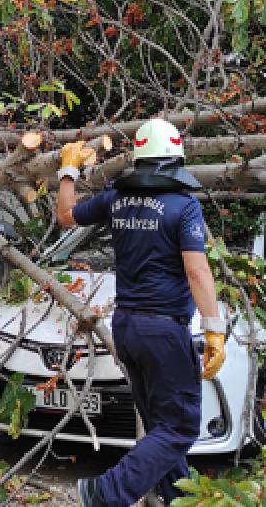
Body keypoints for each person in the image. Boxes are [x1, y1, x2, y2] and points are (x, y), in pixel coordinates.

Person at [55, 118, 227, 507]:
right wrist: (214, 329)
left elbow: (65, 216)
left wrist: (68, 169)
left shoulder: (117, 196)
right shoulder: (184, 206)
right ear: (175, 159)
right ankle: (107, 492)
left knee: (159, 428)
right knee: (180, 427)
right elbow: (197, 271)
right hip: (164, 329)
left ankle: (180, 498)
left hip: (127, 326)